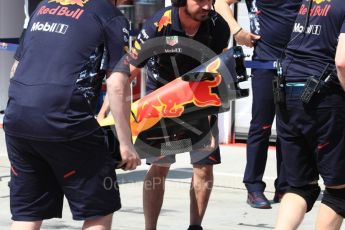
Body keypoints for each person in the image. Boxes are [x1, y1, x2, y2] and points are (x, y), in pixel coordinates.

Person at [4, 0, 141, 229]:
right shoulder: (111, 16)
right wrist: (126, 143)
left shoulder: (43, 7)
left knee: (27, 212)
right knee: (100, 209)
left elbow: (15, 68)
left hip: (18, 116)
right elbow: (117, 84)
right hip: (65, 119)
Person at [130, 0, 229, 229]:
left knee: (204, 166)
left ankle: (195, 226)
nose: (207, 6)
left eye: (210, 0)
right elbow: (131, 69)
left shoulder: (217, 25)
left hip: (200, 103)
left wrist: (209, 117)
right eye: (200, 0)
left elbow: (219, 73)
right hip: (163, 105)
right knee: (161, 166)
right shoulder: (158, 23)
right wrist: (107, 111)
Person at [215, 0, 301, 208]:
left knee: (290, 129)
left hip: (296, 64)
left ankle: (286, 187)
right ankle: (253, 187)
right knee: (261, 126)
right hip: (265, 64)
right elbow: (219, 3)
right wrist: (237, 31)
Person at [275, 0, 345, 229]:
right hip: (323, 98)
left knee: (301, 186)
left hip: (287, 93)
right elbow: (343, 62)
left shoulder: (309, 2)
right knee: (340, 191)